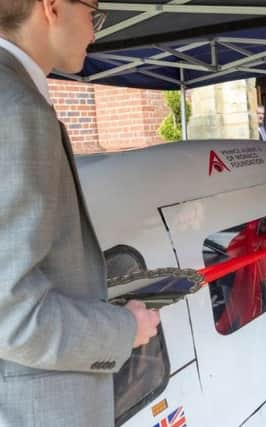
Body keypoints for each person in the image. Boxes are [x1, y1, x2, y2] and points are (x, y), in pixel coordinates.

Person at [0, 2, 161, 426]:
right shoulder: (16, 108)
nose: (94, 32)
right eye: (93, 13)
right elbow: (9, 315)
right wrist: (125, 329)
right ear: (52, 7)